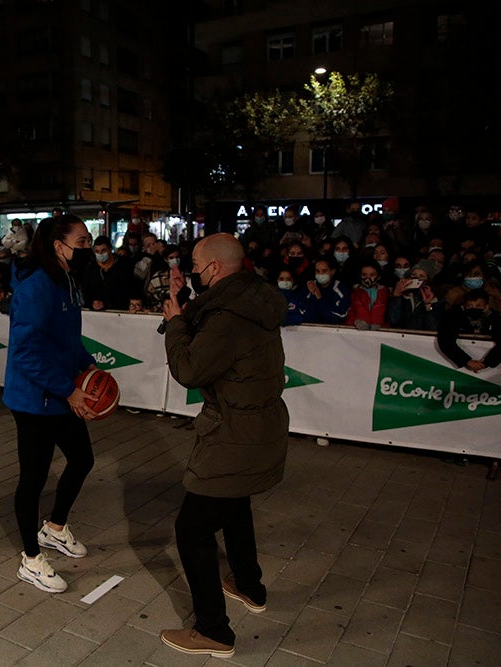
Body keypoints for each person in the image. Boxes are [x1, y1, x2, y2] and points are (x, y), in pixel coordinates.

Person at [159, 233, 289, 657]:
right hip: (259, 428)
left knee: (191, 528)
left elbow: (190, 368)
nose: (193, 271)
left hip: (235, 433)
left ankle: (213, 630)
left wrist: (176, 322)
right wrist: (181, 299)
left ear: (214, 268)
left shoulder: (229, 318)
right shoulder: (251, 296)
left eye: (196, 266)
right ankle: (249, 585)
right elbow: (209, 316)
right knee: (234, 504)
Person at [3, 215, 99, 594]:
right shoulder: (36, 287)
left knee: (83, 459)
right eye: (83, 241)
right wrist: (69, 390)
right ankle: (30, 560)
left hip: (58, 394)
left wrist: (88, 365)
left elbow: (68, 339)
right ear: (59, 245)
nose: (89, 248)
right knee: (33, 479)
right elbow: (25, 352)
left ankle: (55, 529)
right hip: (33, 399)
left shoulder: (66, 282)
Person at [436, 288, 501, 374]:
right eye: (470, 306)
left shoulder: (493, 317)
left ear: (486, 306)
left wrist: (486, 363)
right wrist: (467, 361)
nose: (473, 308)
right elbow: (445, 340)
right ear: (464, 306)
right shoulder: (453, 316)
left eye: (478, 306)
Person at [345, 261, 389, 330]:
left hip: (381, 335)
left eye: (372, 275)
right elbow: (347, 315)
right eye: (364, 275)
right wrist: (355, 321)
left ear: (379, 276)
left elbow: (391, 317)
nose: (367, 278)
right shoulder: (354, 294)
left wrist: (382, 326)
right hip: (358, 334)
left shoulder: (386, 293)